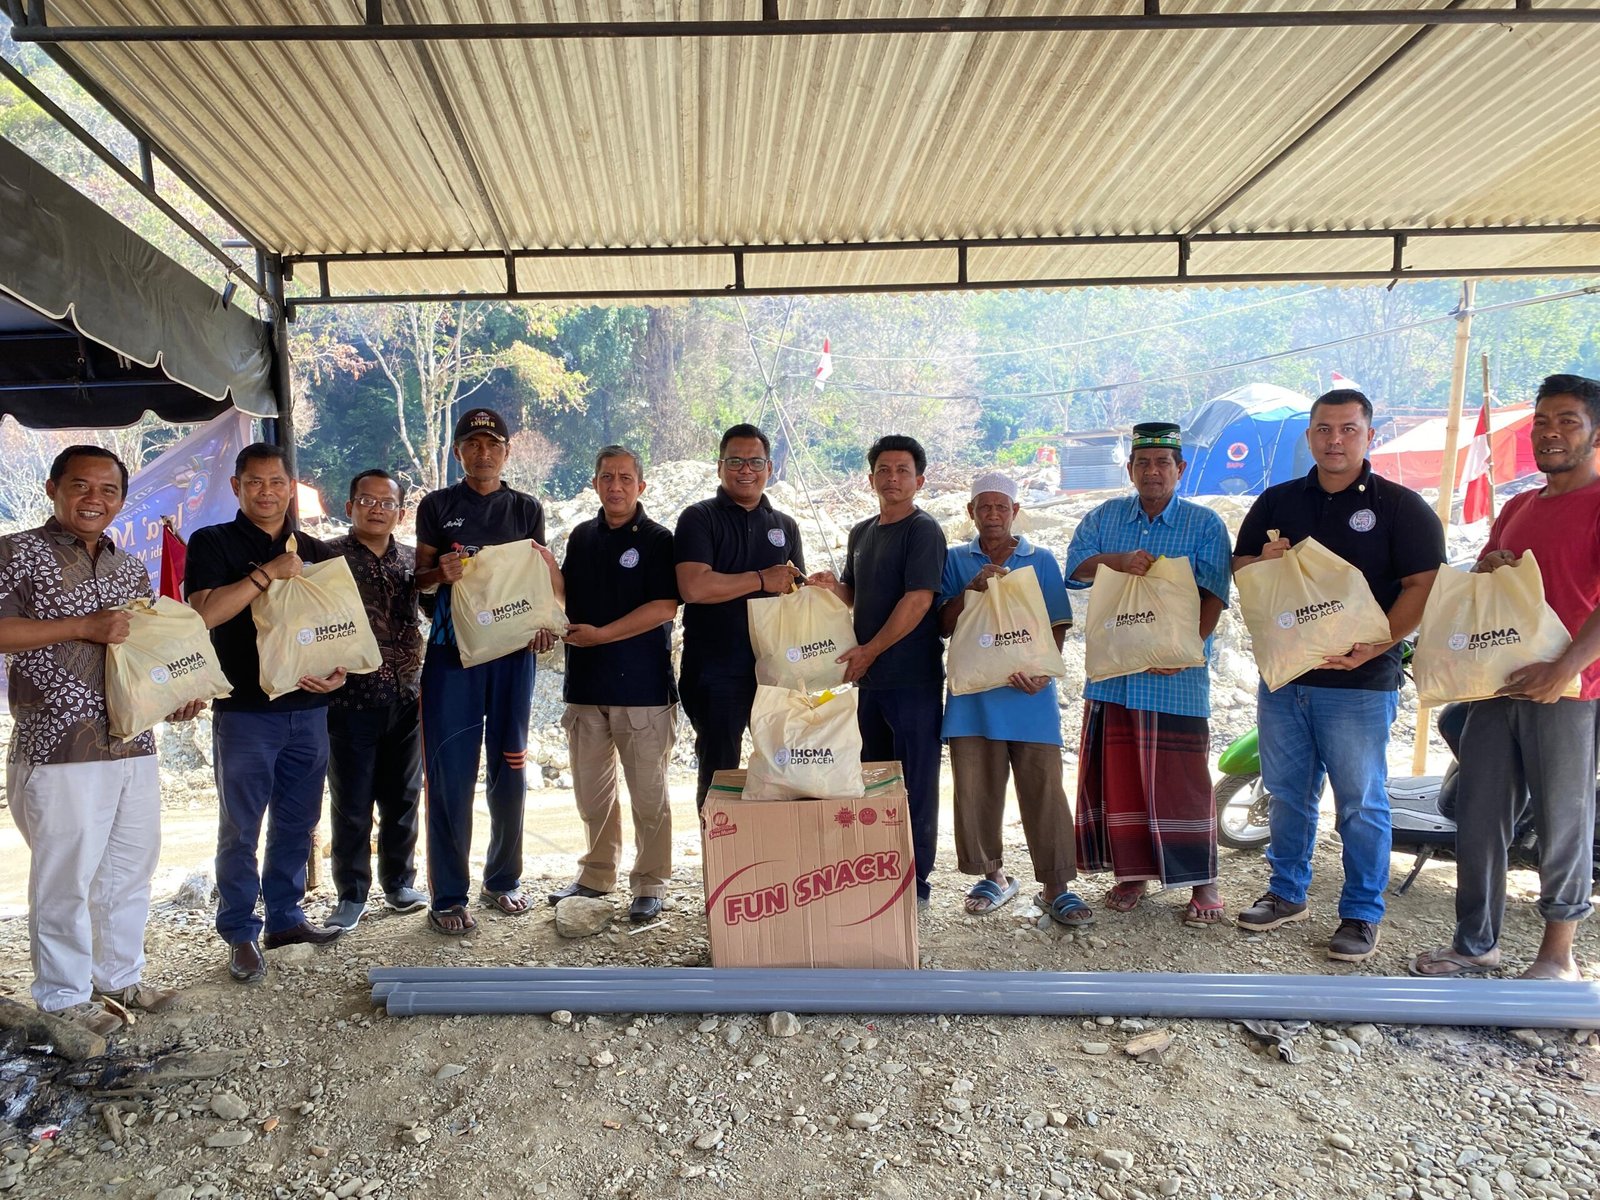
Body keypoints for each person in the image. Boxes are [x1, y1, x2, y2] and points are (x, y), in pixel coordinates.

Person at [1232, 389, 1443, 962]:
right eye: (1325, 429)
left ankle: (1360, 913)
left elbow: (1424, 585)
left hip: (1360, 683)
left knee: (1360, 801)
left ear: (1369, 435)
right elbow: (1241, 567)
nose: (1335, 440)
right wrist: (1261, 563)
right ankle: (1286, 893)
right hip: (1286, 679)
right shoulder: (1277, 502)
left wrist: (1377, 643)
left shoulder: (1401, 507)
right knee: (1289, 795)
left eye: (1349, 429)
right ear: (1309, 436)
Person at [0, 446, 203, 1035]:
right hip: (59, 746)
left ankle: (120, 977)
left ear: (121, 497)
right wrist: (81, 627)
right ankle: (63, 998)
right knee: (67, 875)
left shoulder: (128, 566)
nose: (95, 499)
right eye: (81, 486)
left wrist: (175, 694)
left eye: (108, 489)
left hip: (131, 740)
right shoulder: (17, 552)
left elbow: (139, 654)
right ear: (52, 488)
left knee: (128, 867)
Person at [1410, 375, 1600, 982]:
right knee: (1480, 813)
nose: (1550, 432)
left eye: (1567, 420)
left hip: (1568, 693)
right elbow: (1495, 577)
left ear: (1597, 432)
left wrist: (1565, 667)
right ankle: (1475, 944)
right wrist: (1493, 564)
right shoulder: (1519, 505)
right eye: (1543, 420)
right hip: (1495, 685)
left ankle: (1557, 957)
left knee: (1563, 819)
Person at [187, 443, 350, 984]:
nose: (266, 491)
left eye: (276, 482)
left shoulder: (319, 550)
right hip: (244, 712)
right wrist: (268, 574)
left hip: (309, 710)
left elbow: (337, 629)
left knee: (298, 822)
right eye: (254, 482)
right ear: (236, 487)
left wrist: (338, 672)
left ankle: (285, 917)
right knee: (240, 827)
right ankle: (239, 931)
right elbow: (205, 615)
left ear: (290, 486)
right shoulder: (212, 542)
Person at [1065, 423, 1233, 926]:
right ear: (1131, 470)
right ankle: (1132, 871)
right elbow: (1076, 568)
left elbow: (1215, 594)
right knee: (1122, 783)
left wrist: (1189, 650)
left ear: (1180, 470)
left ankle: (1203, 881)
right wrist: (1115, 561)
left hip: (1175, 677)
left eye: (1163, 463)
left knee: (1184, 783)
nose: (1153, 472)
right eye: (1143, 463)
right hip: (1115, 675)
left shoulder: (1204, 525)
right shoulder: (1105, 517)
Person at [415, 408, 561, 935]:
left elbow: (539, 579)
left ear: (506, 452)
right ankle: (448, 895)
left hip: (513, 656)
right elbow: (419, 583)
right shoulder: (438, 506)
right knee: (450, 771)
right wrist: (440, 572)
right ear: (458, 452)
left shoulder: (526, 509)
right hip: (452, 655)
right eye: (472, 444)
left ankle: (503, 879)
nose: (482, 452)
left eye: (492, 444)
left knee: (510, 765)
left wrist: (544, 625)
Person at [938, 471, 1089, 925]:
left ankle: (1056, 884)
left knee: (1044, 790)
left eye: (1001, 507)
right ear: (970, 513)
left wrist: (1044, 673)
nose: (992, 514)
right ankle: (993, 875)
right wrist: (972, 590)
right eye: (983, 506)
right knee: (975, 790)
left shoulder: (1039, 559)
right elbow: (943, 624)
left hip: (1030, 698)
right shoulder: (954, 560)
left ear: (1015, 512)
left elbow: (1058, 623)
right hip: (972, 698)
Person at [810, 435, 947, 906]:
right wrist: (831, 589)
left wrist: (870, 649)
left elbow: (919, 600)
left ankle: (918, 882)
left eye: (902, 470)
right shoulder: (862, 532)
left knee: (916, 783)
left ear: (919, 480)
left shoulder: (923, 531)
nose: (892, 478)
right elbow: (854, 592)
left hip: (913, 680)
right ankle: (878, 870)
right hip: (868, 681)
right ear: (870, 479)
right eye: (883, 470)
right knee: (873, 780)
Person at [551, 446, 680, 923]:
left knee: (649, 794)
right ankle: (597, 873)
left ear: (641, 486)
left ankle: (650, 882)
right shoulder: (582, 536)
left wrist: (603, 635)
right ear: (595, 483)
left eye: (625, 478)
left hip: (642, 689)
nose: (616, 486)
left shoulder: (658, 539)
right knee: (592, 793)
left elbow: (665, 607)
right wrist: (543, 568)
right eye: (607, 477)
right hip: (585, 686)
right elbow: (567, 597)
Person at [674, 424, 804, 806]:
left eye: (755, 461)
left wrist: (817, 589)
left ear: (769, 468)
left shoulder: (785, 525)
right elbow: (694, 587)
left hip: (777, 671)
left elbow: (794, 594)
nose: (745, 469)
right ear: (720, 467)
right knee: (721, 771)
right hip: (716, 670)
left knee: (785, 767)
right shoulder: (699, 518)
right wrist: (762, 579)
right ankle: (720, 860)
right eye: (735, 461)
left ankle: (776, 858)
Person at [323, 469, 427, 931]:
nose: (377, 508)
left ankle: (399, 882)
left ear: (400, 512)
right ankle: (351, 891)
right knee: (352, 800)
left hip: (407, 695)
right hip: (350, 699)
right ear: (350, 507)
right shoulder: (326, 559)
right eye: (367, 500)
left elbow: (433, 608)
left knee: (403, 797)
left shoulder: (411, 560)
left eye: (387, 503)